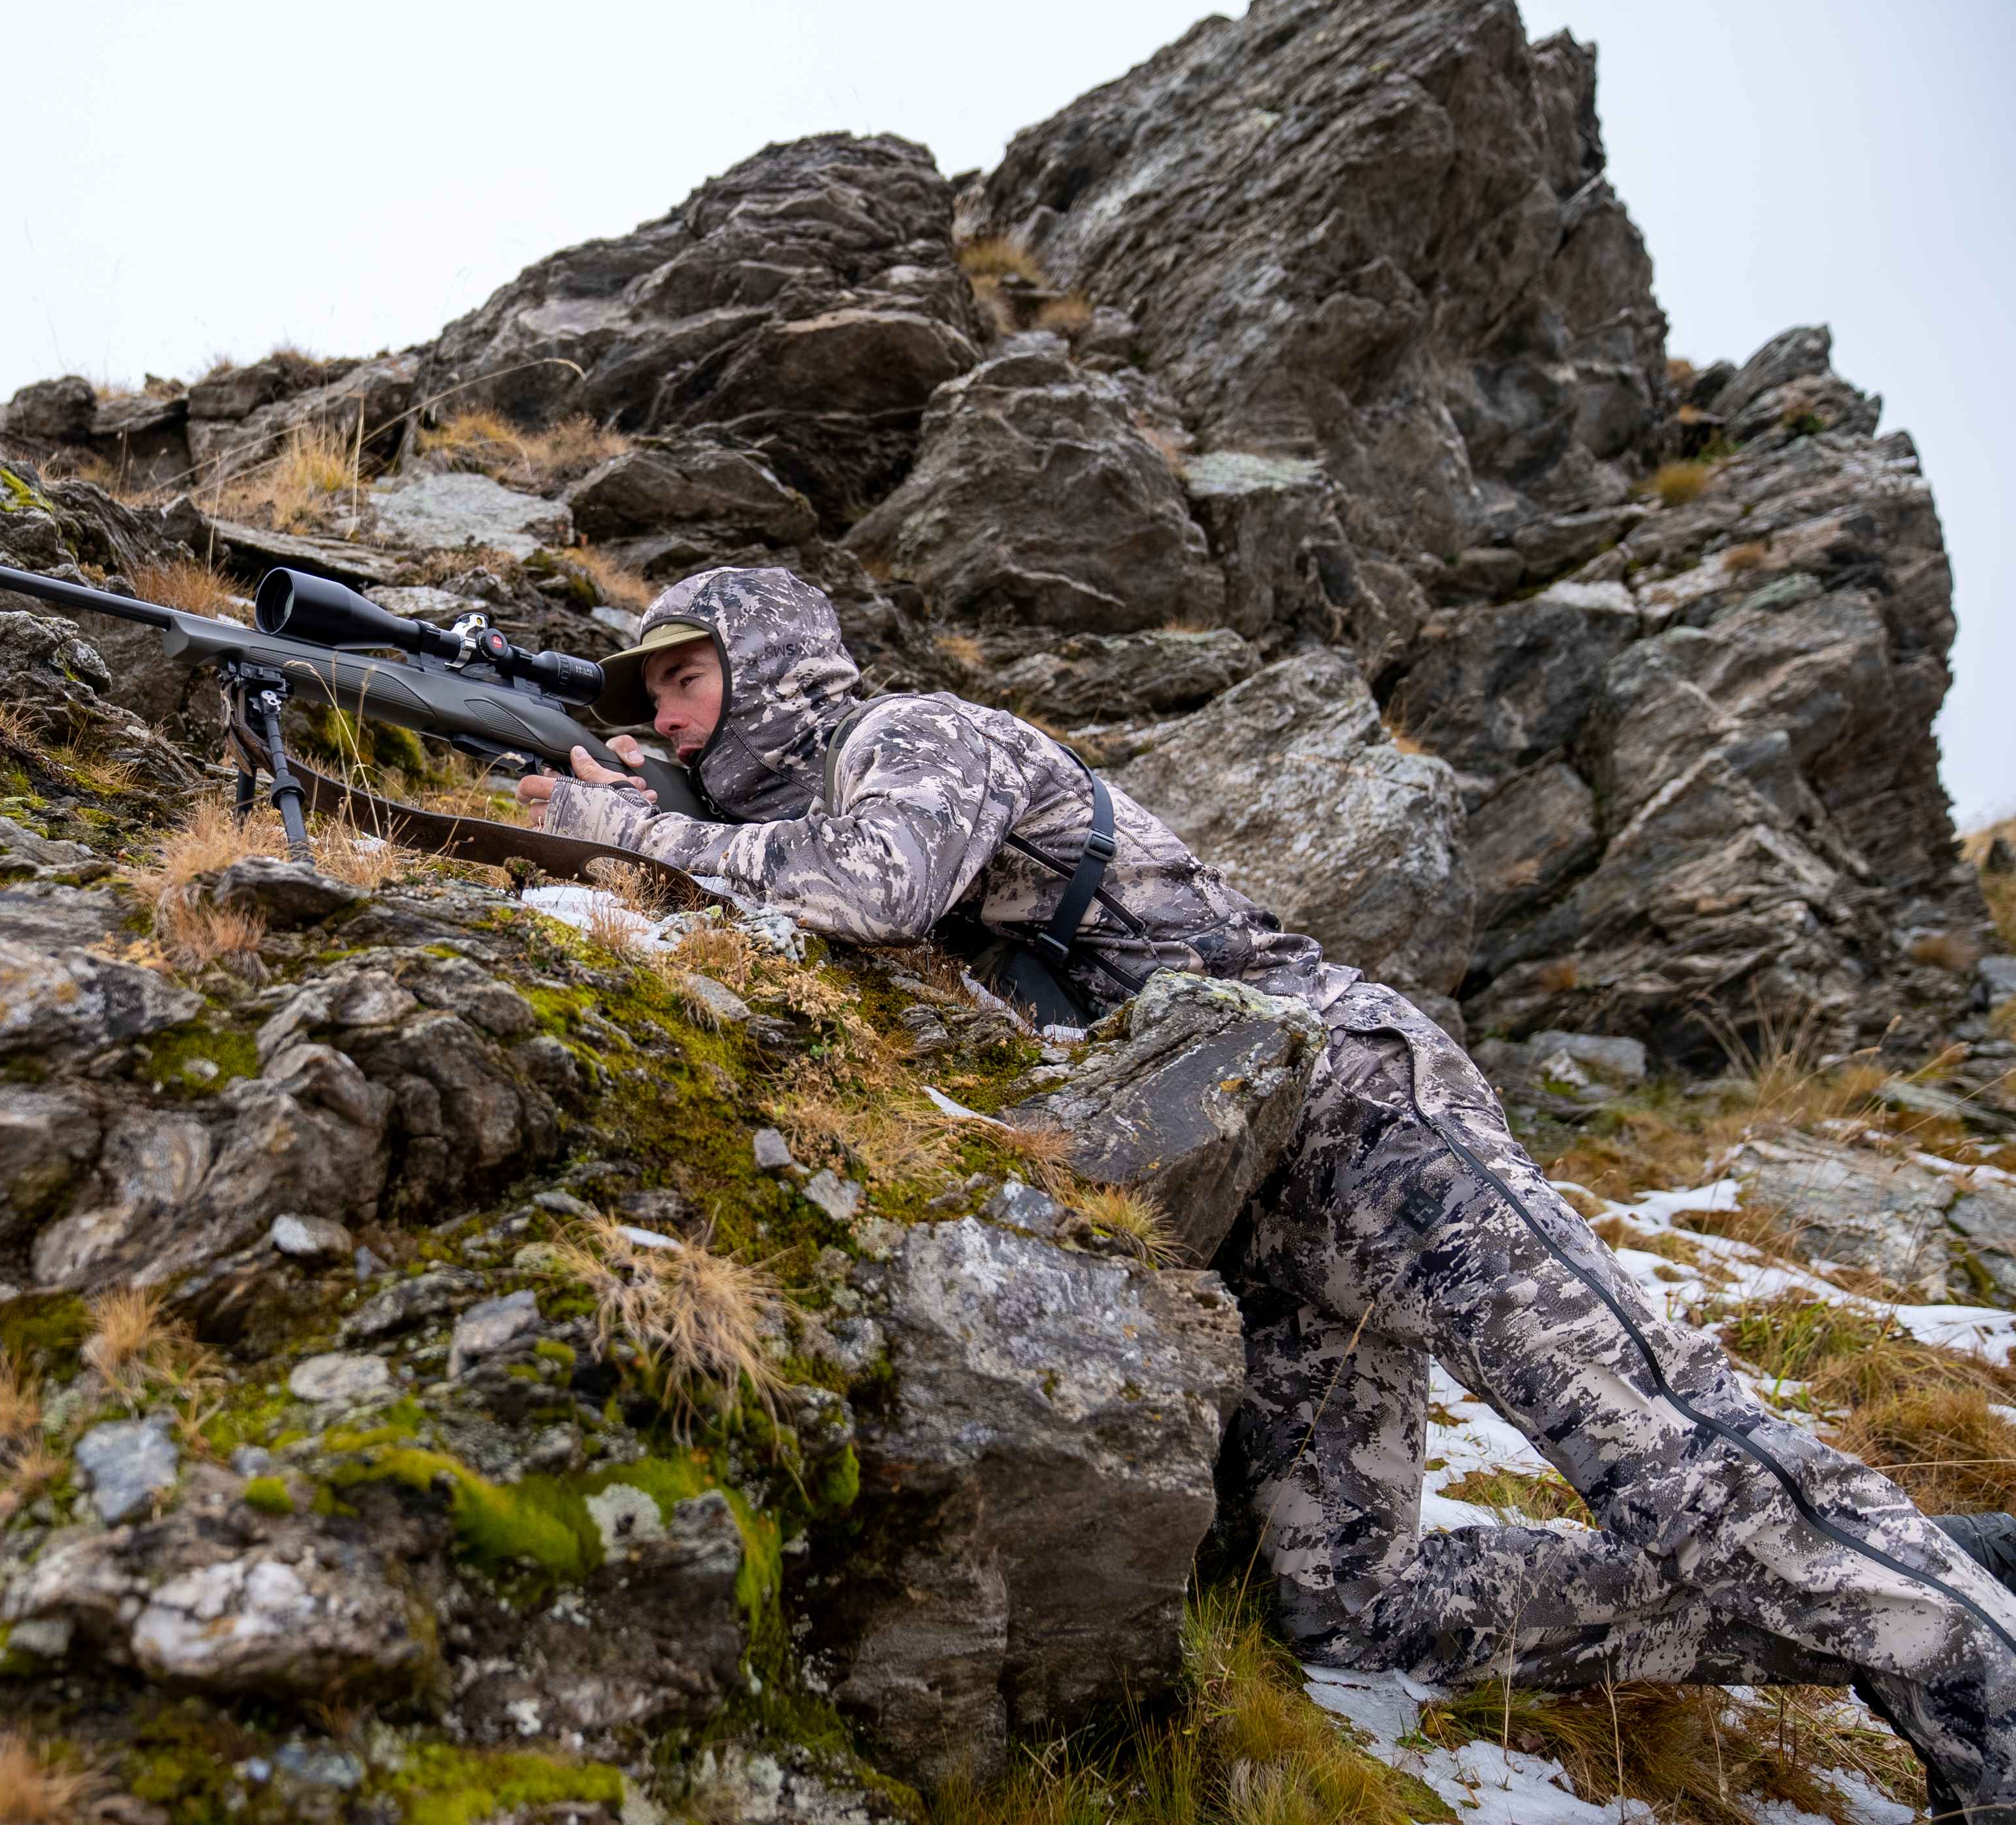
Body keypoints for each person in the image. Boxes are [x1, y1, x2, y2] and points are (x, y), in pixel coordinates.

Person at [516, 564, 2016, 1813]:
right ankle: (1913, 1591)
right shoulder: (786, 812)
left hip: (1358, 1116)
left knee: (1673, 1461)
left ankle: (1983, 1700)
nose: (664, 713)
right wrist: (660, 833)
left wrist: (628, 833)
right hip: (1253, 1207)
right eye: (648, 698)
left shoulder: (913, 735)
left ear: (774, 664)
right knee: (1348, 1608)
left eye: (683, 678)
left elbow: (870, 889)